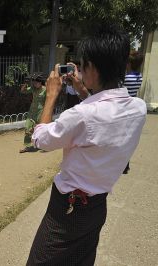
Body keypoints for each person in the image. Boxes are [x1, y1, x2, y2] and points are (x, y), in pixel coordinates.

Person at [27, 26, 147, 265]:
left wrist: (51, 95)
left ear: (91, 68)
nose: (79, 70)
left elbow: (41, 139)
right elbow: (104, 114)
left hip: (67, 209)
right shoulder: (138, 108)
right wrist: (84, 91)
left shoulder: (81, 115)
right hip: (97, 206)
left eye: (82, 66)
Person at [122, 50, 144, 174]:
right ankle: (126, 165)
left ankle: (122, 165)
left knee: (122, 137)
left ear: (129, 64)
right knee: (128, 137)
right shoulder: (139, 77)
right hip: (133, 107)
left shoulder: (126, 78)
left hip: (125, 107)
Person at [19, 73, 46, 153]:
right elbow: (23, 91)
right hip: (32, 111)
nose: (34, 84)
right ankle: (27, 146)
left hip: (41, 112)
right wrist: (25, 84)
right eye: (33, 82)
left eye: (36, 82)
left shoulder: (45, 90)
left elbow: (48, 101)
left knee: (40, 129)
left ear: (40, 82)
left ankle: (43, 145)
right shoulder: (33, 89)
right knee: (27, 128)